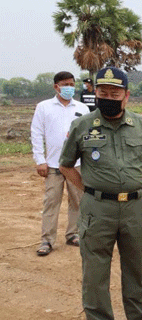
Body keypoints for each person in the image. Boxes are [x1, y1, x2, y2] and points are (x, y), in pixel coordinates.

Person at [59, 66, 142, 320]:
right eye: (103, 92)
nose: (108, 98)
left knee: (135, 268)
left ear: (126, 96)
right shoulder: (82, 125)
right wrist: (90, 189)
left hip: (135, 207)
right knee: (95, 273)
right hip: (97, 210)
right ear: (96, 93)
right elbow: (66, 165)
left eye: (114, 94)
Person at [31, 71, 90, 256]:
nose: (69, 88)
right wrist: (40, 160)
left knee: (78, 201)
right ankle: (47, 240)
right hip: (53, 165)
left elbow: (88, 135)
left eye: (72, 84)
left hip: (76, 164)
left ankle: (73, 234)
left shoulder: (82, 108)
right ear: (56, 87)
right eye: (65, 85)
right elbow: (36, 133)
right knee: (51, 202)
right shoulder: (44, 107)